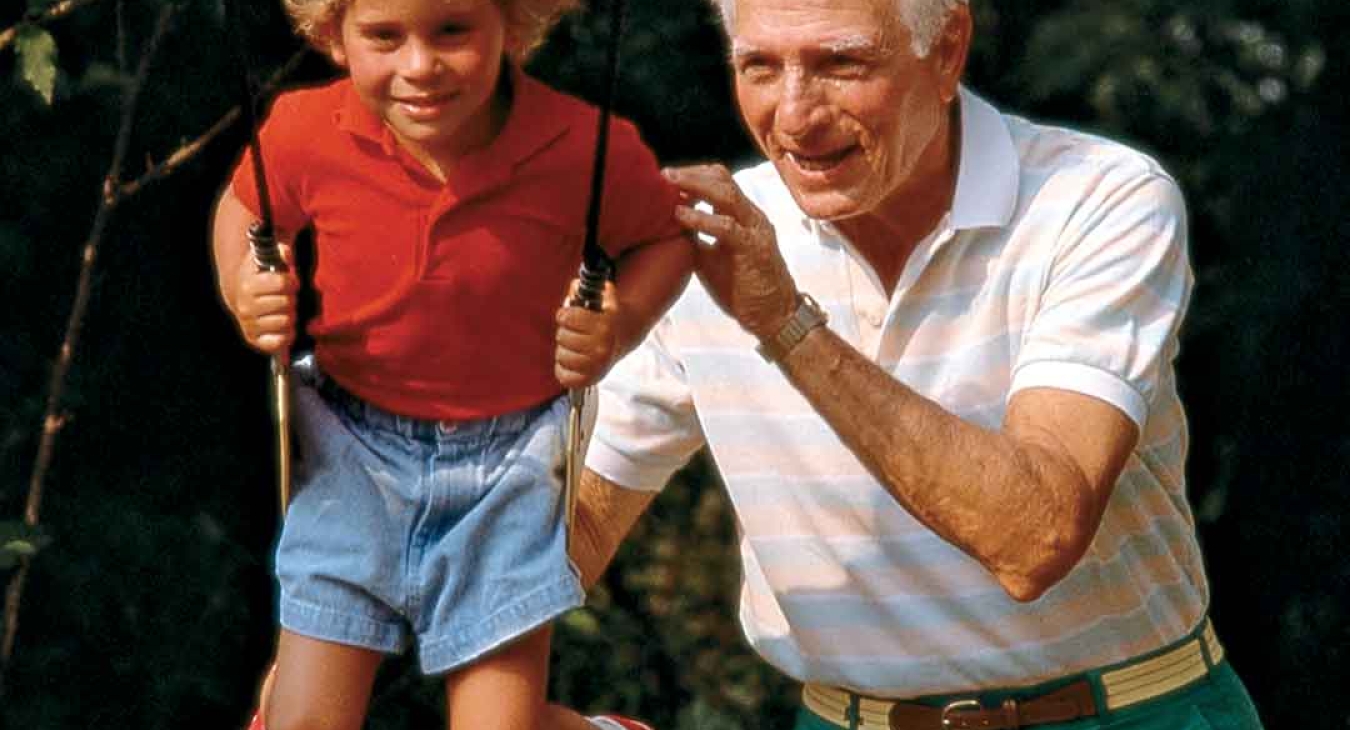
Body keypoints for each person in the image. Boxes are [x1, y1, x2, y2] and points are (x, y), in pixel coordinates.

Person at [570, 0, 1268, 728]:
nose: (796, 116)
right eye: (760, 68)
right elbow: (570, 540)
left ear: (947, 51)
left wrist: (786, 325)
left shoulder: (1101, 198)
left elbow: (1034, 539)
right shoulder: (705, 238)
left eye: (841, 64)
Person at [210, 0, 691, 727]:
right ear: (332, 34)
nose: (419, 66)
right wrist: (245, 284)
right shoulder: (308, 131)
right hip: (352, 451)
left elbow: (665, 239)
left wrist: (618, 322)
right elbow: (246, 210)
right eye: (383, 36)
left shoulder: (580, 147)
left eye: (452, 30)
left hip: (510, 464)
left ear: (513, 22)